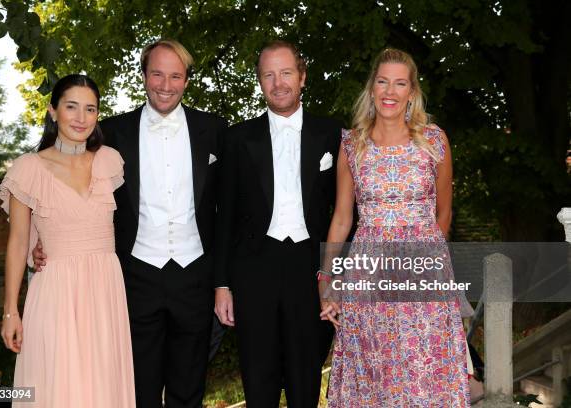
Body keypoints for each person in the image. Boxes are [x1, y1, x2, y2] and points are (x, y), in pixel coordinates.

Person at [34, 39, 227, 408]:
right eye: (157, 74)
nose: (165, 85)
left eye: (175, 76)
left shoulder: (215, 129)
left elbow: (230, 206)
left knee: (190, 390)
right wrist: (41, 241)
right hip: (133, 278)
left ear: (186, 80)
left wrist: (223, 280)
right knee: (137, 390)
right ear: (143, 76)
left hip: (195, 276)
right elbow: (66, 185)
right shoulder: (111, 132)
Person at [319, 48, 471, 407]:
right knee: (377, 372)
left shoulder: (434, 141)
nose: (390, 91)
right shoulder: (352, 145)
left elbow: (444, 215)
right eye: (383, 81)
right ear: (372, 89)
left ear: (412, 91)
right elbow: (342, 218)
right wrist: (326, 280)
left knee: (425, 370)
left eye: (400, 83)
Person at [214, 40, 341, 407]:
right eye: (269, 75)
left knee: (306, 380)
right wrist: (222, 284)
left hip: (312, 270)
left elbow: (346, 212)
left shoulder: (332, 134)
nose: (278, 82)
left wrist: (342, 272)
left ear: (302, 77)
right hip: (254, 270)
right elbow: (224, 217)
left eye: (286, 73)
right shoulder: (237, 138)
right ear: (259, 82)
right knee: (259, 379)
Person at [0, 74, 135, 407]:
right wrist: (9, 312)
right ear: (52, 111)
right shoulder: (28, 168)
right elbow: (18, 243)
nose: (80, 117)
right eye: (71, 106)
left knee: (103, 388)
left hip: (105, 291)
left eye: (90, 109)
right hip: (56, 292)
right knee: (58, 388)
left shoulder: (109, 161)